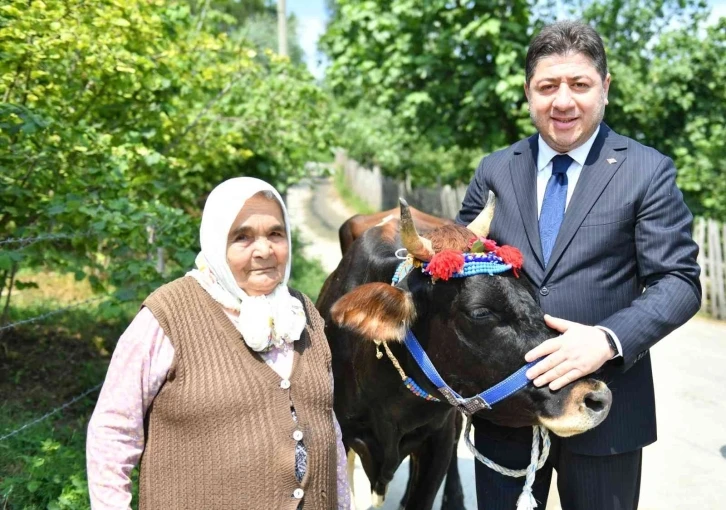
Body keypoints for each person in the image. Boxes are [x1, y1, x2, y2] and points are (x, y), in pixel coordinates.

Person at [455, 20, 701, 510]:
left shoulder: (646, 170)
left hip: (605, 408)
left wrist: (606, 341)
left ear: (604, 88)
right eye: (548, 86)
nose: (563, 101)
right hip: (507, 411)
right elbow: (461, 270)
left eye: (579, 84)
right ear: (528, 92)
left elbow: (678, 281)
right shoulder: (495, 169)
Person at [87, 177, 352, 509]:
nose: (264, 250)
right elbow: (113, 431)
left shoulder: (301, 313)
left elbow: (327, 426)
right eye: (242, 237)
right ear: (216, 242)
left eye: (275, 234)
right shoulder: (168, 315)